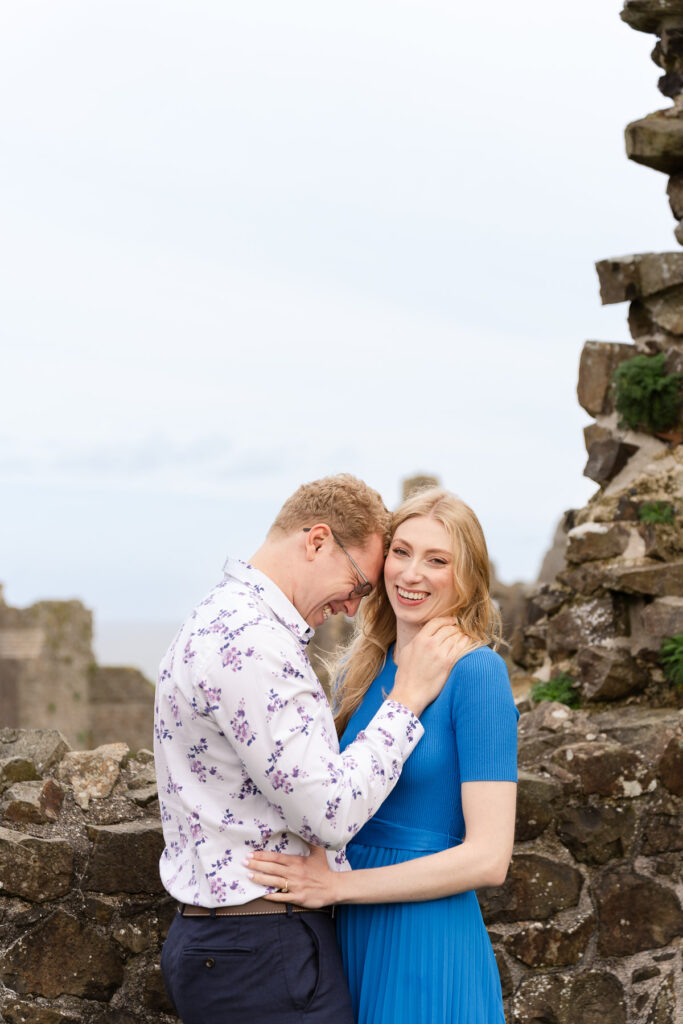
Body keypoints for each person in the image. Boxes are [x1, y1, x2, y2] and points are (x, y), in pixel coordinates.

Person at [154, 474, 466, 1024]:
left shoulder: (222, 615)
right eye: (358, 584)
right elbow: (332, 813)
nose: (352, 607)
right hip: (261, 950)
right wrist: (408, 700)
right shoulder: (252, 643)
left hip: (238, 947)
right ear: (317, 541)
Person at [246, 488, 519, 1024]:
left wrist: (337, 886)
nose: (411, 574)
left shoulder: (478, 673)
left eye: (437, 560)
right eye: (401, 552)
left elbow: (489, 859)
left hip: (427, 939)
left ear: (467, 577)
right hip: (348, 933)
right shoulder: (362, 669)